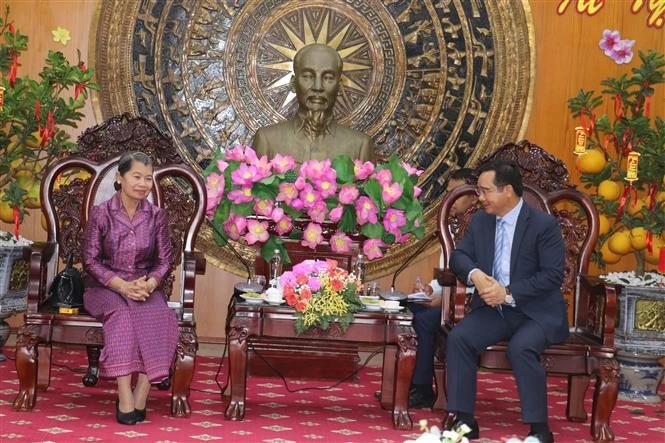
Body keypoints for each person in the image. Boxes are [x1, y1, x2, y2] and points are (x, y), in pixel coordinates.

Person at [445, 159, 568, 443]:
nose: (480, 197)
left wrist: (509, 292)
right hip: (495, 311)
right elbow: (459, 257)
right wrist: (475, 275)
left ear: (508, 191)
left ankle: (539, 429)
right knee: (460, 338)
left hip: (536, 312)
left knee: (521, 347)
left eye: (486, 191)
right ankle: (464, 420)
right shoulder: (481, 221)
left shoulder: (543, 225)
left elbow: (552, 275)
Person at [83, 151, 178, 425]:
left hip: (144, 286)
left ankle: (143, 391)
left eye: (148, 178)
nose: (143, 183)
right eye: (136, 176)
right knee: (122, 317)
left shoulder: (157, 216)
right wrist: (123, 286)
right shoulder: (101, 213)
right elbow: (90, 261)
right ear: (120, 177)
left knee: (161, 317)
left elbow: (164, 261)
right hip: (105, 287)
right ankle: (124, 394)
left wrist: (150, 283)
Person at [408, 168, 475, 409]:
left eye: (455, 193)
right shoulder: (452, 227)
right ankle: (410, 384)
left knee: (426, 319)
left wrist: (442, 300)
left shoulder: (482, 228)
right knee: (409, 309)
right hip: (449, 298)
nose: (448, 199)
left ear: (473, 195)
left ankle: (423, 389)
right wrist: (430, 290)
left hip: (473, 305)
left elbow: (479, 279)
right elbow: (447, 274)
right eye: (447, 193)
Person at [253, 43, 375, 163]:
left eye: (328, 78)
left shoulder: (360, 146)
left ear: (339, 86)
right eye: (308, 76)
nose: (318, 87)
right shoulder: (267, 140)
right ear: (293, 84)